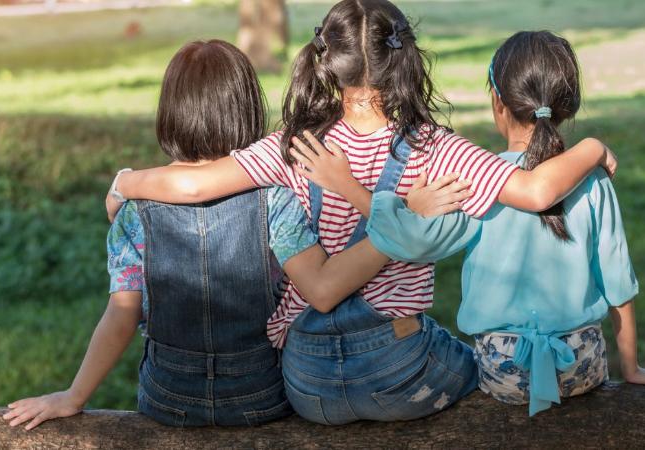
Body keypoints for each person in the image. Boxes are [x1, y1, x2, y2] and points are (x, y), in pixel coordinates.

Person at [103, 1, 617, 424]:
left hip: (307, 381)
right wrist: (592, 147)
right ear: (405, 59)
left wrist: (125, 182)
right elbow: (535, 193)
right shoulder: (438, 148)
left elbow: (192, 184)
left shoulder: (292, 145)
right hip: (398, 372)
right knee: (467, 359)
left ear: (327, 61)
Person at [1, 39, 392, 430]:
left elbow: (122, 315)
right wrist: (399, 234)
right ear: (246, 109)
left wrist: (73, 396)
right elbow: (319, 290)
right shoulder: (275, 198)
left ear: (170, 113)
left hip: (169, 395)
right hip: (259, 393)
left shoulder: (134, 210)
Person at [299, 30, 645, 416]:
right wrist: (633, 368)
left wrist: (354, 189)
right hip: (582, 364)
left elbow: (411, 241)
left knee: (450, 352)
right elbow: (618, 282)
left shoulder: (481, 179)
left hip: (506, 368)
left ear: (497, 102)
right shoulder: (594, 180)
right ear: (567, 105)